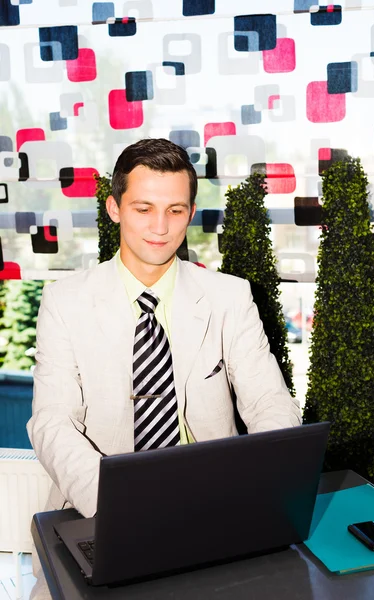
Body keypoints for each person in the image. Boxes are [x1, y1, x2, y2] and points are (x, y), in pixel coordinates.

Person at [27, 138, 301, 598]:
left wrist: (255, 489)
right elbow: (52, 421)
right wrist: (123, 506)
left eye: (175, 210)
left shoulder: (229, 297)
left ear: (191, 213)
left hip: (215, 510)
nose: (160, 227)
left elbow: (271, 403)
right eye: (143, 208)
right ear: (114, 208)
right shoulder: (65, 301)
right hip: (98, 512)